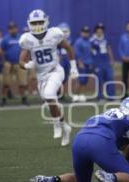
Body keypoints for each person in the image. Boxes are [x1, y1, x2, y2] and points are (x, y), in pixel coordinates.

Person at [30, 108, 129, 182]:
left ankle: (50, 179)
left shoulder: (116, 113)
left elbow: (124, 144)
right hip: (100, 141)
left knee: (82, 181)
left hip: (80, 139)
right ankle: (109, 176)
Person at [19, 9, 78, 146]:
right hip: (41, 76)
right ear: (29, 24)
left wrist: (74, 67)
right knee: (51, 103)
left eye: (40, 22)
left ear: (46, 21)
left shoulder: (54, 34)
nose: (38, 25)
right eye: (35, 23)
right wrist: (27, 66)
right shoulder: (27, 39)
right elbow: (21, 61)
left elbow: (69, 48)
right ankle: (64, 126)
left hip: (55, 71)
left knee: (50, 94)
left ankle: (57, 123)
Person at [1, 22, 28, 106]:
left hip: (19, 63)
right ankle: (4, 99)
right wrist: (3, 62)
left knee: (22, 82)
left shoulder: (21, 38)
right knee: (6, 83)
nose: (13, 30)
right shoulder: (5, 39)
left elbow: (25, 50)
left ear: (16, 28)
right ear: (9, 30)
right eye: (11, 28)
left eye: (14, 28)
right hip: (8, 63)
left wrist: (25, 61)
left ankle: (23, 98)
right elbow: (2, 51)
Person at [90, 23, 115, 100]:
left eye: (101, 30)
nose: (100, 31)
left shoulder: (106, 39)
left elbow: (109, 49)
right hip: (98, 62)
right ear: (96, 31)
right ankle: (99, 97)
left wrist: (112, 59)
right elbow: (90, 52)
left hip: (106, 62)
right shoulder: (92, 40)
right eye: (98, 30)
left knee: (110, 77)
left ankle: (111, 96)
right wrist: (92, 63)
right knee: (99, 79)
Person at [73, 26, 93, 102]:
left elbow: (90, 53)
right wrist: (80, 62)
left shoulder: (89, 41)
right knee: (80, 80)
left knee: (85, 80)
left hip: (88, 63)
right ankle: (75, 95)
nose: (86, 34)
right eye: (84, 32)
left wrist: (91, 63)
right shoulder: (78, 42)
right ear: (81, 33)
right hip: (82, 64)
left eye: (87, 32)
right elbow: (77, 53)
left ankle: (82, 95)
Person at [58, 22, 72, 100]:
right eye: (62, 31)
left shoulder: (70, 40)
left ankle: (61, 94)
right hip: (60, 61)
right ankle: (58, 93)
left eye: (65, 31)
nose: (64, 33)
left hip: (67, 61)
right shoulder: (56, 41)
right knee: (58, 78)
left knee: (65, 78)